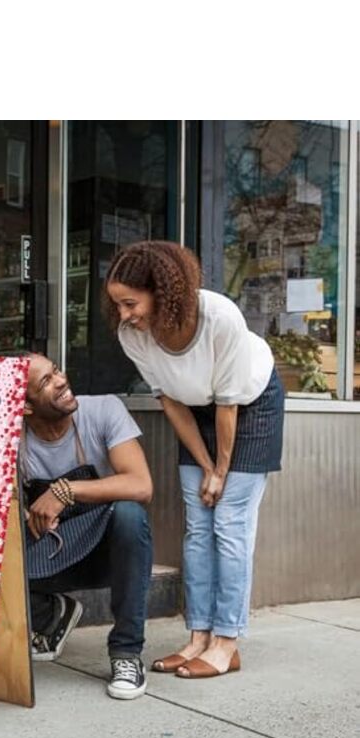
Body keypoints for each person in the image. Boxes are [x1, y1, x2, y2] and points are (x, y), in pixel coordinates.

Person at [104, 240, 284, 679]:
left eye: (131, 303)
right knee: (199, 525)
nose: (124, 315)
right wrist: (205, 466)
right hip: (194, 411)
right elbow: (171, 403)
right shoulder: (134, 335)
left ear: (162, 293)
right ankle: (199, 637)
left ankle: (227, 641)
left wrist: (221, 470)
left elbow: (229, 405)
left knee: (229, 523)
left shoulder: (218, 317)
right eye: (118, 305)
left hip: (248, 405)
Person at [21, 352, 153, 700]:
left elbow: (141, 485)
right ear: (25, 408)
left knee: (129, 514)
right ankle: (51, 615)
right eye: (46, 382)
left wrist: (66, 490)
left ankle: (126, 653)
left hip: (105, 554)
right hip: (51, 553)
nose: (62, 381)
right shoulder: (9, 437)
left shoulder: (103, 410)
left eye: (56, 371)